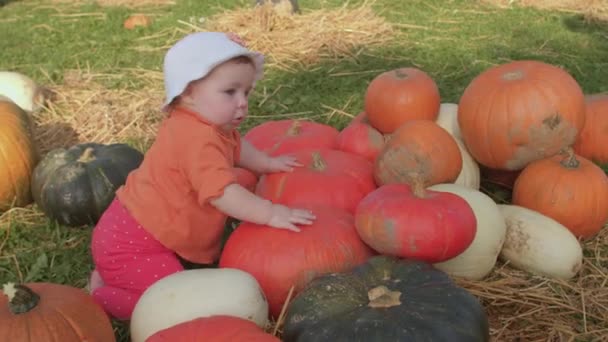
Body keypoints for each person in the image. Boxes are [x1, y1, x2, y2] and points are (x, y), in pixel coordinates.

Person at [88, 31, 316, 321]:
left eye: (245, 92)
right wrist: (270, 213)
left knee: (239, 182)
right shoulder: (195, 139)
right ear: (188, 92)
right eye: (230, 92)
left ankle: (113, 272)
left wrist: (266, 163)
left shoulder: (207, 123)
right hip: (133, 244)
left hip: (131, 232)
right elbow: (222, 193)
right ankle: (102, 294)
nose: (243, 102)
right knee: (168, 300)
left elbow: (237, 146)